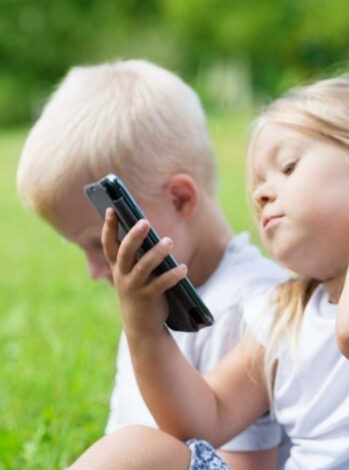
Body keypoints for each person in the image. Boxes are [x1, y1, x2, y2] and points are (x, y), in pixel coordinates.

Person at [67, 73, 349, 470]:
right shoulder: (285, 312)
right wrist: (143, 324)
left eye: (286, 167)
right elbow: (201, 421)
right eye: (258, 186)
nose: (263, 194)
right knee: (136, 448)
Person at [16, 60, 289, 470]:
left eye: (101, 244)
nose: (94, 268)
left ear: (180, 199)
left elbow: (249, 462)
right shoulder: (151, 306)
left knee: (135, 449)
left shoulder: (250, 306)